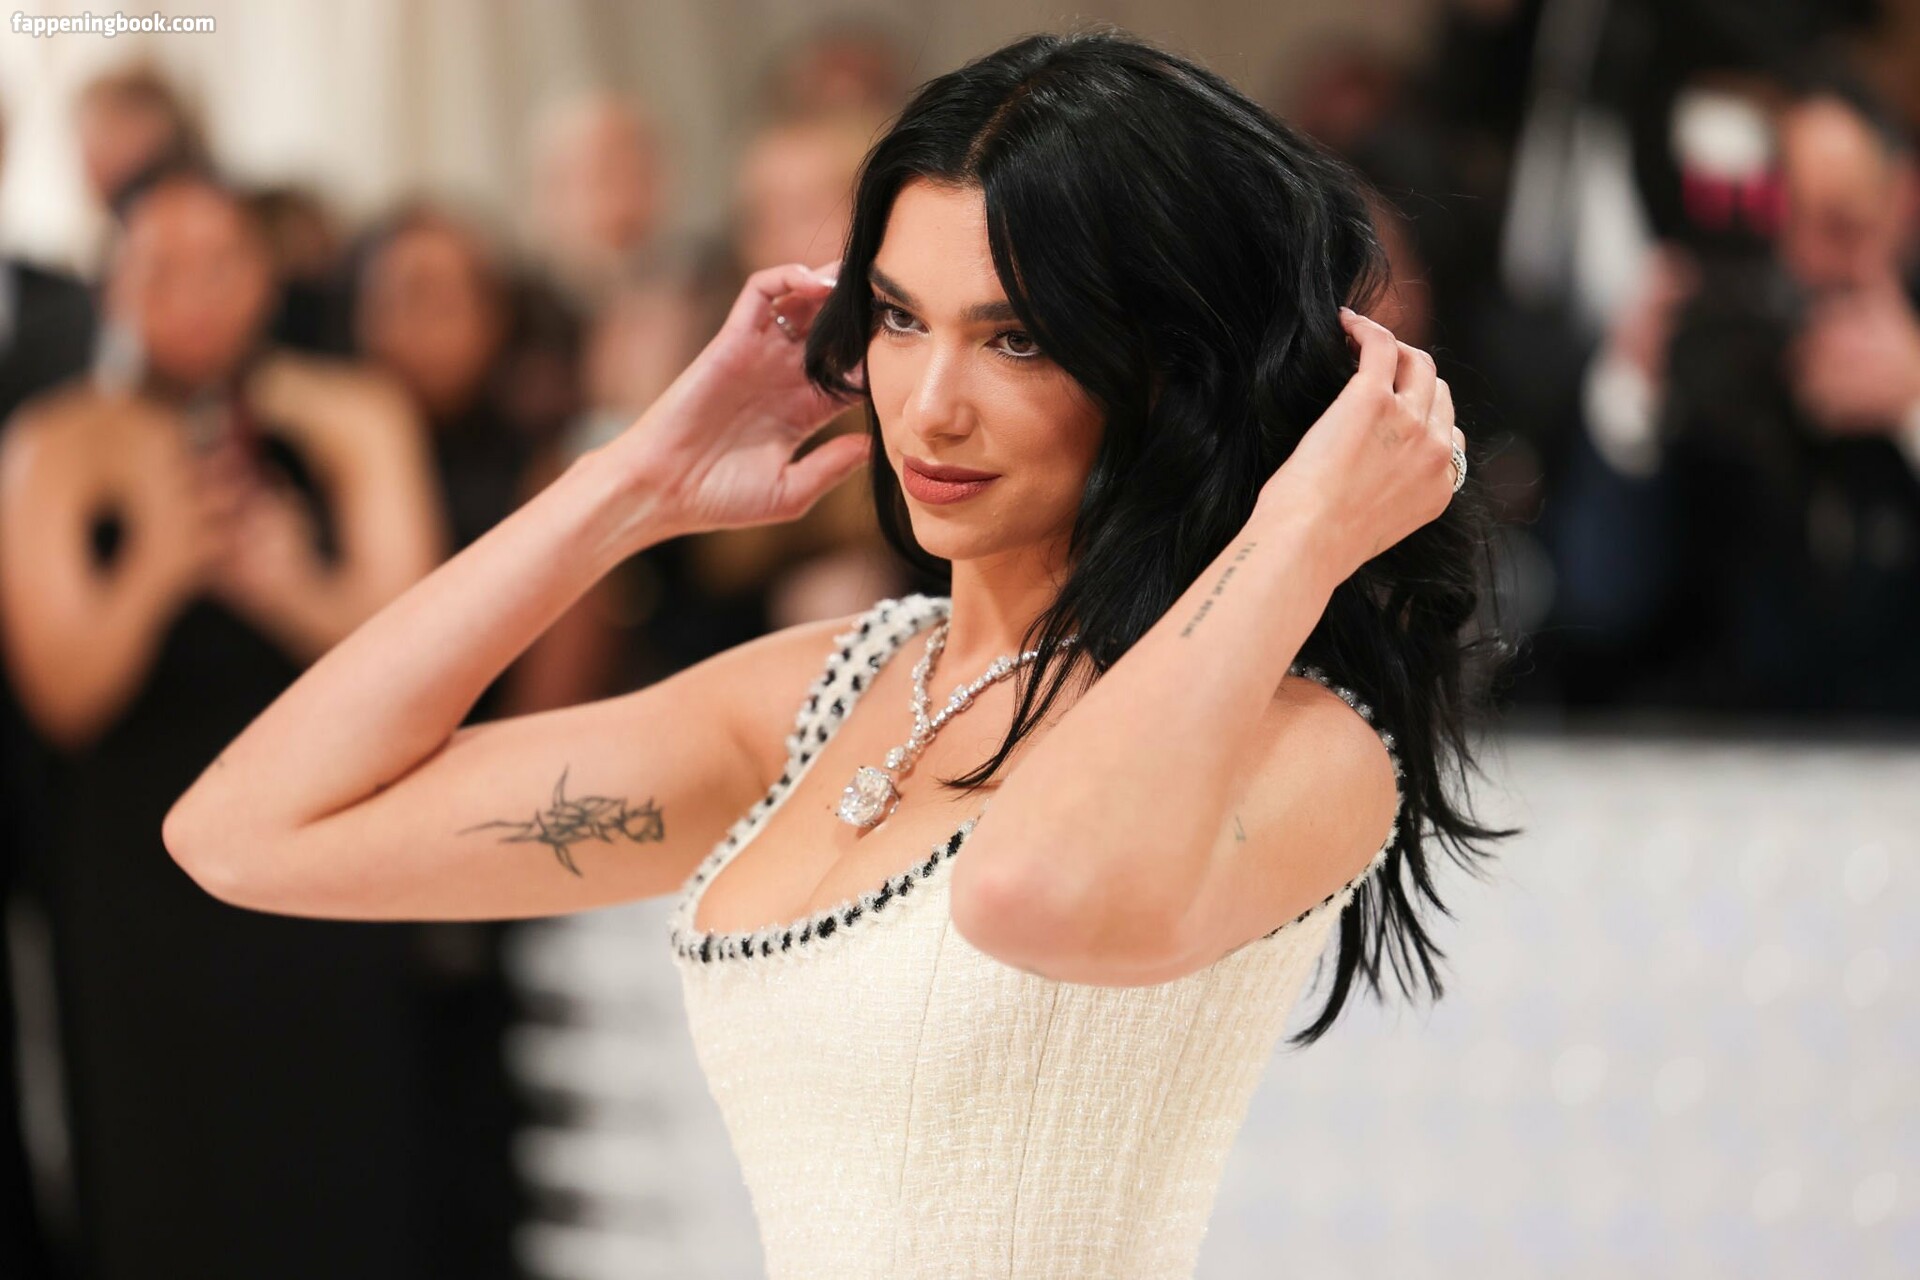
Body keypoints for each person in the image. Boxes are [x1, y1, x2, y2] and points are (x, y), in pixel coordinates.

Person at [164, 29, 1514, 1278]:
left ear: (1170, 368)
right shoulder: (823, 696)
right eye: (900, 317)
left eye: (1019, 338)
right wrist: (632, 483)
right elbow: (247, 831)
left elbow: (1029, 893)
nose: (930, 407)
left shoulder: (1305, 740)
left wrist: (1298, 534)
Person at [0, 165, 443, 1278]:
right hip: (139, 884)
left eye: (219, 265)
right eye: (159, 268)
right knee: (165, 1190)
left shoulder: (355, 415)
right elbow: (61, 698)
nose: (191, 295)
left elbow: (427, 667)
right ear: (113, 284)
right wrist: (157, 565)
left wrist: (289, 584)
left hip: (328, 870)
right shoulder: (53, 441)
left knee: (344, 1174)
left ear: (265, 276)